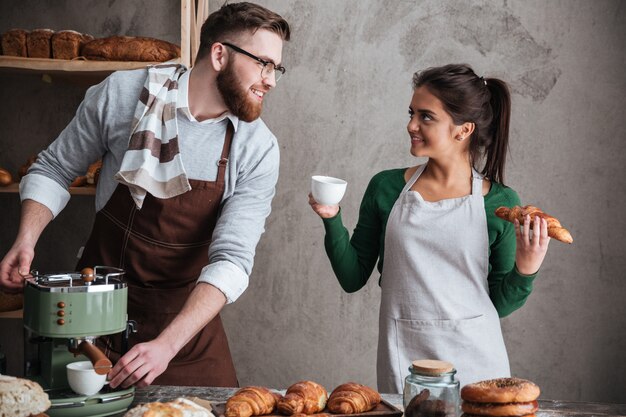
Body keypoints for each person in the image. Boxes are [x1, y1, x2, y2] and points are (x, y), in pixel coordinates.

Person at [0, 2, 290, 388]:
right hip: (92, 317)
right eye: (263, 64)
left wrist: (166, 346)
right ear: (219, 54)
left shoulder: (257, 148)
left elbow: (233, 260)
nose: (270, 80)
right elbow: (55, 167)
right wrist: (26, 239)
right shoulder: (123, 95)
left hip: (183, 333)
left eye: (276, 68)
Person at [309, 64, 551, 392]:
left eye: (426, 116)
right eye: (412, 113)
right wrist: (331, 217)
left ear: (463, 130)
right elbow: (352, 278)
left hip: (477, 361)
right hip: (404, 356)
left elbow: (499, 305)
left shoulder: (499, 203)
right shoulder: (386, 187)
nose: (411, 125)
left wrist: (527, 268)